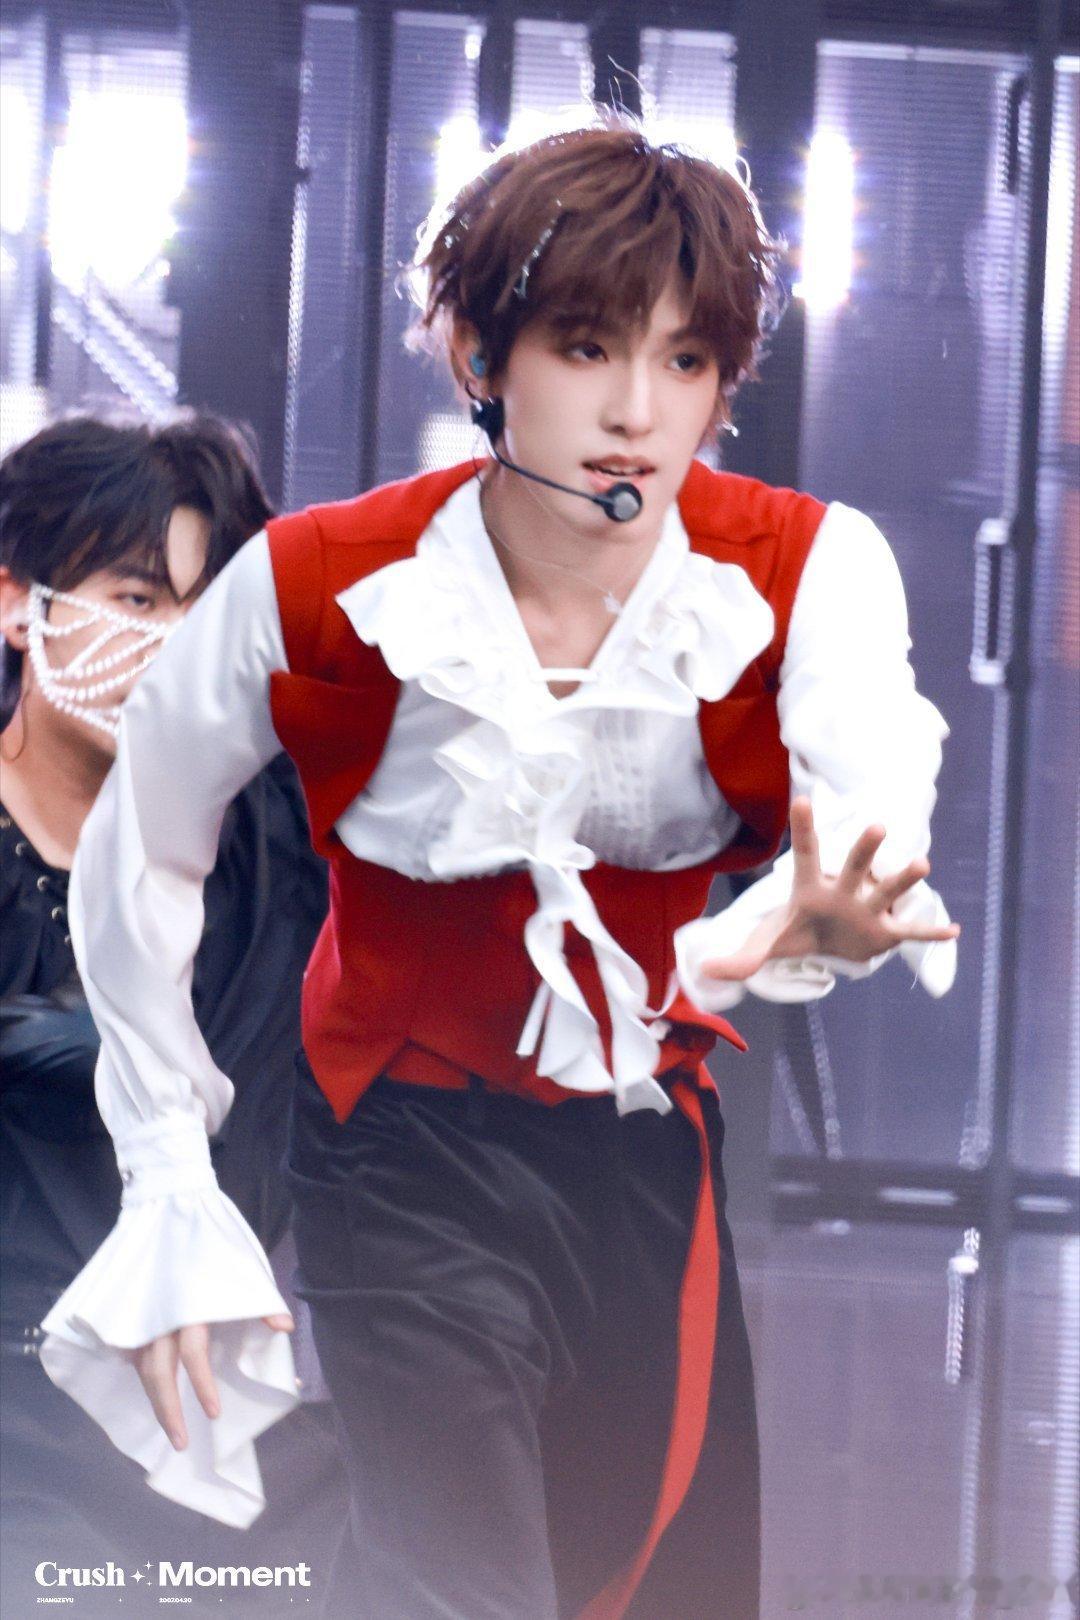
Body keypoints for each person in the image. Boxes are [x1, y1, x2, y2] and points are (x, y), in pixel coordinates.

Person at [38, 121, 959, 1620]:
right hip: (396, 1149)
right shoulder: (322, 581)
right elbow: (141, 847)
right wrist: (167, 1165)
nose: (636, 411)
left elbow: (870, 812)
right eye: (587, 348)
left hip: (644, 1152)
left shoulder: (809, 568)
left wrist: (788, 929)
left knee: (662, 1582)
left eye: (684, 361)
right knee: (460, 1587)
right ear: (481, 353)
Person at [0, 412, 351, 1617]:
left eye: (207, 618)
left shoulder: (286, 848)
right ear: (18, 604)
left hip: (214, 1420)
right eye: (138, 600)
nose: (172, 651)